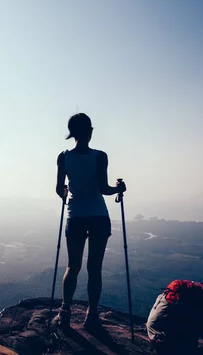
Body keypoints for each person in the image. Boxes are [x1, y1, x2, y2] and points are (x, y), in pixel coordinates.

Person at [52, 113, 126, 330]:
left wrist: (66, 191)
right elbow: (103, 189)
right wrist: (118, 188)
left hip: (75, 216)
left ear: (71, 134)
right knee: (95, 268)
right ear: (90, 131)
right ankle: (91, 316)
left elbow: (59, 189)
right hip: (98, 216)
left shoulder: (63, 157)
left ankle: (65, 312)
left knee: (72, 266)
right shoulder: (100, 156)